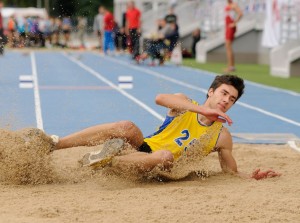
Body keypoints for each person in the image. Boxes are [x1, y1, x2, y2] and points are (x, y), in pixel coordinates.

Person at [51, 74, 280, 180]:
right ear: (211, 92)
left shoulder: (222, 136)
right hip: (142, 149)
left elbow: (229, 172)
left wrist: (251, 176)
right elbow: (160, 98)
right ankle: (56, 143)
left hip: (161, 167)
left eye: (231, 99)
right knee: (127, 126)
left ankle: (106, 160)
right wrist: (202, 110)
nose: (226, 100)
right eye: (223, 93)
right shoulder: (185, 104)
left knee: (166, 156)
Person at [224, 0, 243, 73]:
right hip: (227, 27)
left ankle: (231, 66)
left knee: (228, 46)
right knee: (227, 47)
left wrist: (234, 23)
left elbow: (240, 13)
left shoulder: (233, 5)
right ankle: (230, 66)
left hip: (230, 27)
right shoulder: (228, 5)